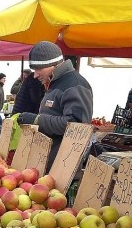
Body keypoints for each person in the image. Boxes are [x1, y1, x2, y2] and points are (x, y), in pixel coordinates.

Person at [16, 41, 93, 170]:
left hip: (63, 165)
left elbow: (77, 126)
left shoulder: (75, 84)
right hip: (49, 159)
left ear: (54, 64)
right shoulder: (55, 82)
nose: (35, 75)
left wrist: (37, 120)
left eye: (39, 69)